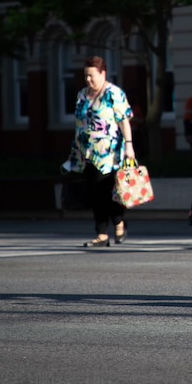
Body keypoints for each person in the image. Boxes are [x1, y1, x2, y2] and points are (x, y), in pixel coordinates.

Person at [63, 56, 135, 248]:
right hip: (85, 153)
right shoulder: (82, 95)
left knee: (109, 192)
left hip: (109, 154)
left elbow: (123, 121)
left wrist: (129, 145)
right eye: (85, 76)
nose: (88, 80)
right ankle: (102, 234)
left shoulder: (113, 93)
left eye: (92, 76)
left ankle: (118, 221)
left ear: (103, 73)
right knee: (94, 194)